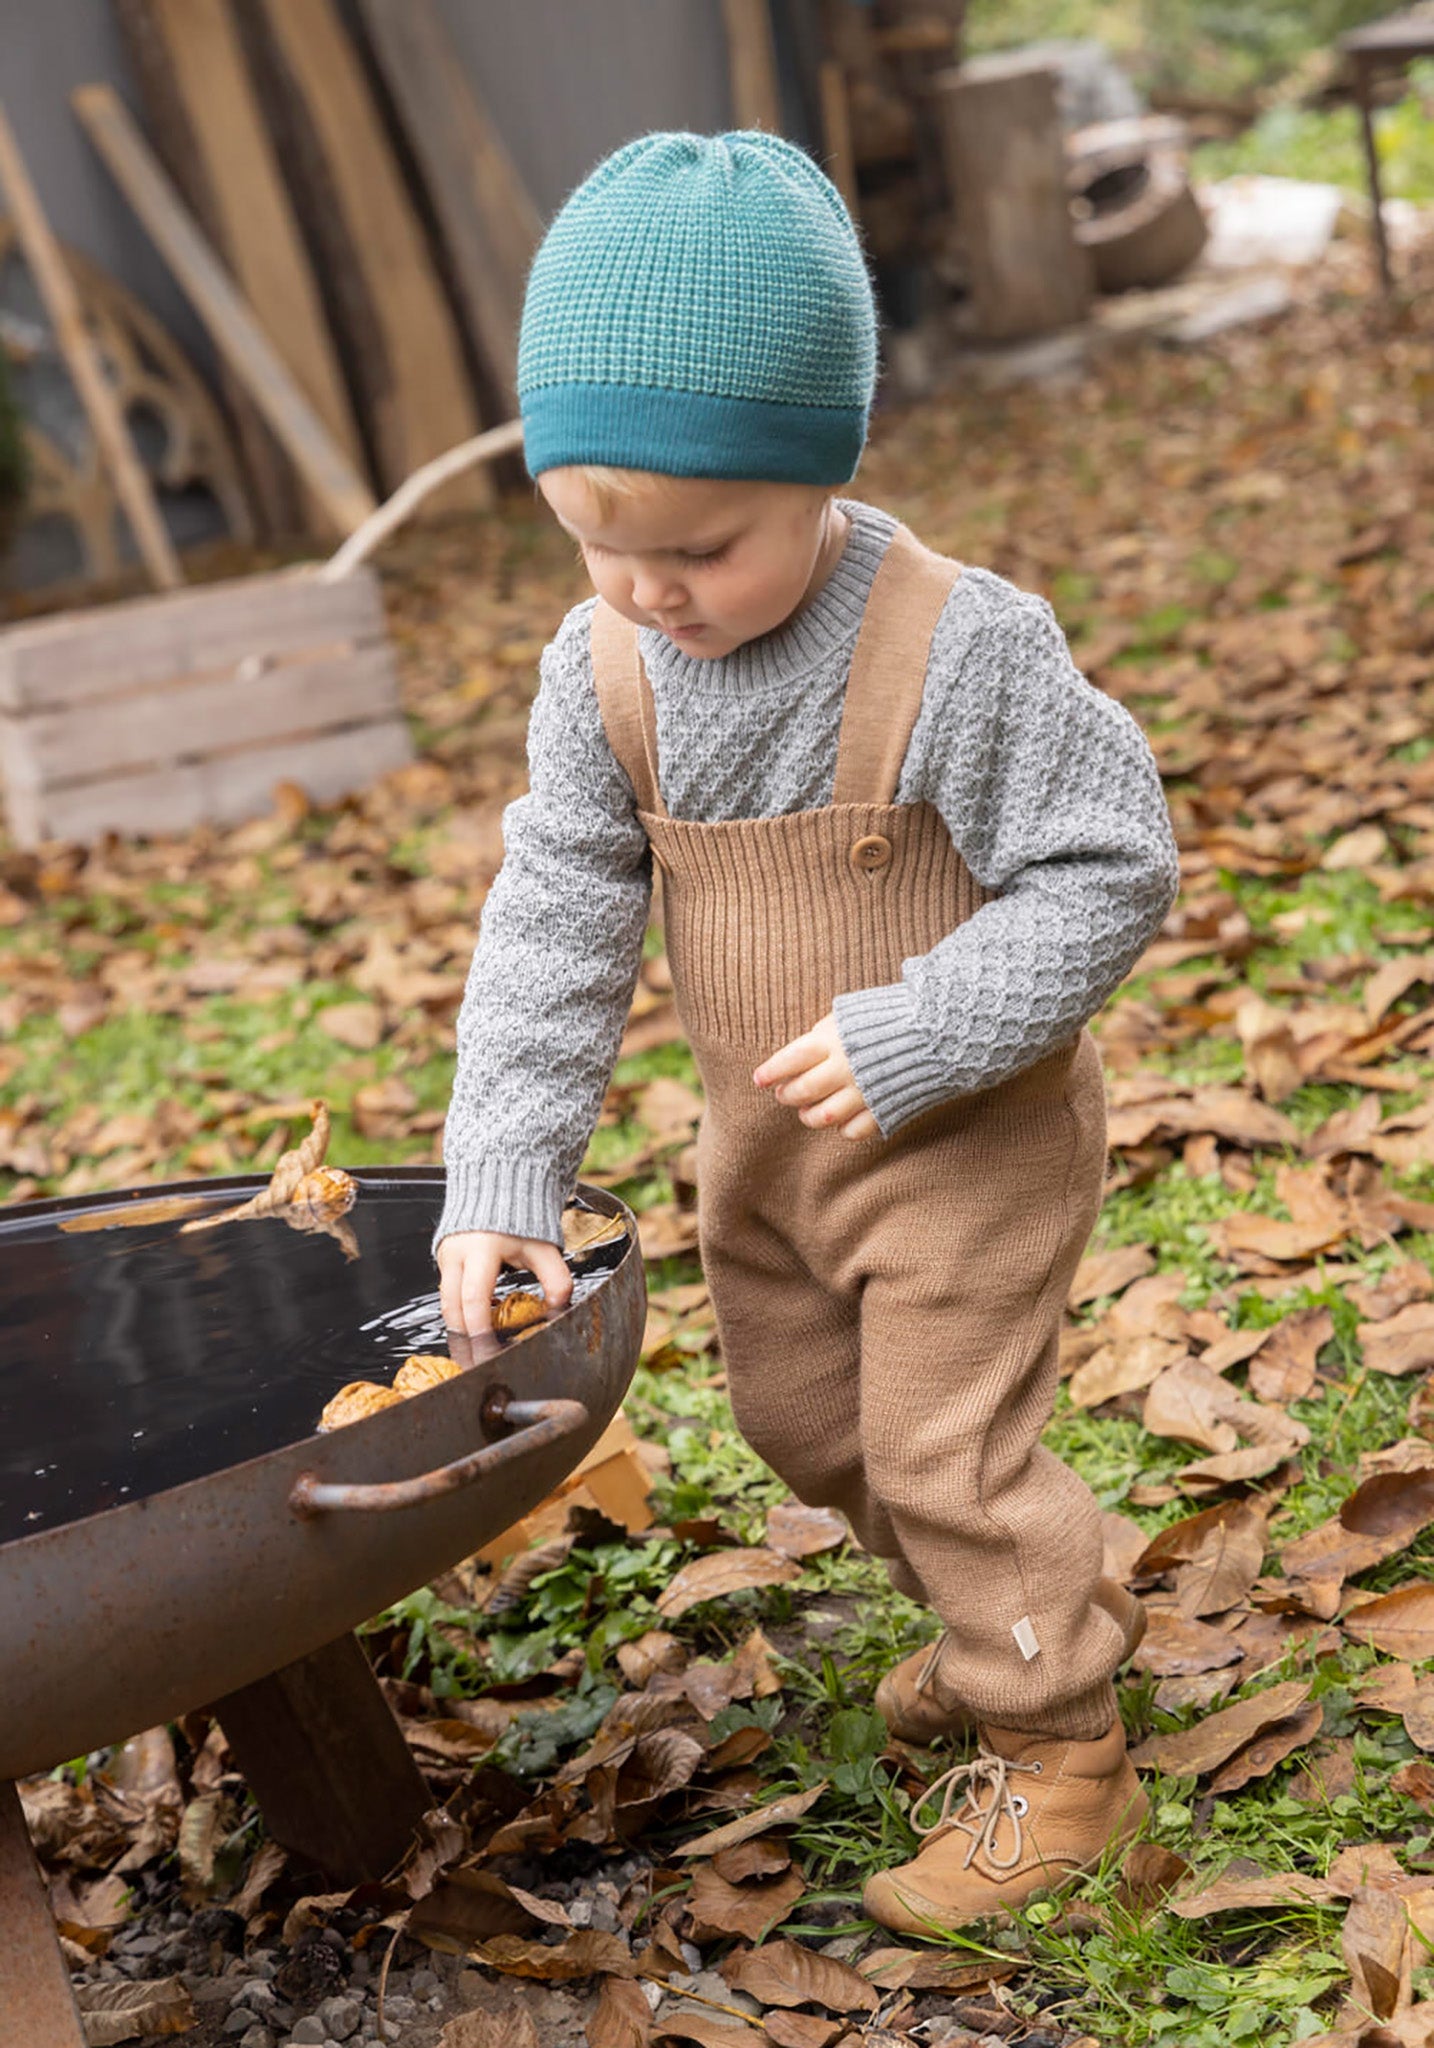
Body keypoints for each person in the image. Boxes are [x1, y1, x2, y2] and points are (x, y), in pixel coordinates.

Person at [434, 131, 1179, 1930]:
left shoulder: (958, 647)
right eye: (594, 542)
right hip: (772, 1150)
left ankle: (1061, 1748)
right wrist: (503, 1165)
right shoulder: (600, 669)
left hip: (962, 1133)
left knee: (940, 1442)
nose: (646, 593)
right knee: (807, 1428)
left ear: (822, 472)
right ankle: (1008, 1604)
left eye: (697, 545)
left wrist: (933, 1026)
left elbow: (1112, 868)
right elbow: (554, 916)